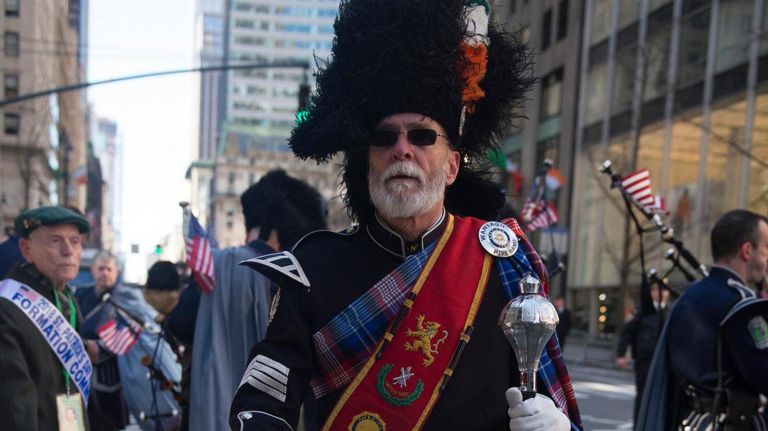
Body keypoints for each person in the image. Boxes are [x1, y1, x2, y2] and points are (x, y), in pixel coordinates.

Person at [229, 1, 581, 430]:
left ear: (452, 165)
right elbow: (265, 396)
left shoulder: (502, 262)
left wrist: (555, 423)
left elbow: (538, 386)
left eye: (422, 135)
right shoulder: (313, 269)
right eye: (384, 137)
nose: (401, 148)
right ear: (369, 163)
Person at [173, 169, 326, 431]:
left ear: (268, 228)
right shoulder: (307, 279)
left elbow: (178, 325)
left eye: (249, 225)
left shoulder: (221, 264)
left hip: (214, 415)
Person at [638, 209, 768, 430]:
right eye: (766, 249)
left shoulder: (687, 298)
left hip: (686, 422)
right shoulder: (743, 306)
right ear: (747, 250)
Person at [0, 206, 92, 431]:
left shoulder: (66, 297)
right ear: (26, 249)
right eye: (55, 240)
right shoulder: (6, 308)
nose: (68, 250)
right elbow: (15, 409)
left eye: (75, 241)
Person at [75, 251, 130, 430]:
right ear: (93, 270)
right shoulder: (81, 295)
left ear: (116, 271)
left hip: (111, 377)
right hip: (80, 370)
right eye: (100, 268)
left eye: (109, 269)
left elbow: (128, 332)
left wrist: (99, 348)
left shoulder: (125, 298)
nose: (105, 273)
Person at [615, 283, 669, 425]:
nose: (661, 293)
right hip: (644, 359)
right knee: (644, 394)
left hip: (664, 361)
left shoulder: (669, 311)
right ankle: (640, 424)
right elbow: (627, 332)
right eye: (657, 289)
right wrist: (621, 354)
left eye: (663, 290)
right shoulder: (642, 310)